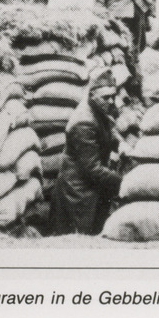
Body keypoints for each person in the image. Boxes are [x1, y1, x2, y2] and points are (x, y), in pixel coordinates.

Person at [49, 70, 123, 236]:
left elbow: (106, 130)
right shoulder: (84, 122)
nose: (111, 101)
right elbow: (92, 169)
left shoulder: (97, 109)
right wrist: (123, 182)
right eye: (106, 97)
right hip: (78, 195)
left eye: (113, 96)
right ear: (92, 95)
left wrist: (120, 144)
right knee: (76, 243)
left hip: (90, 190)